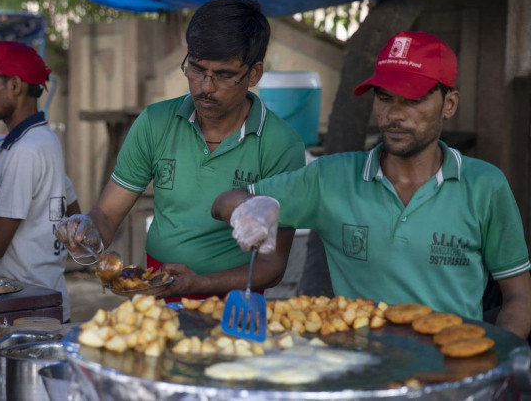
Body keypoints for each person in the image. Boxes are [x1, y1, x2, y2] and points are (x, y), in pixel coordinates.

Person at [212, 31, 531, 339]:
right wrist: (249, 209)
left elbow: (519, 296)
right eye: (384, 98)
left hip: (452, 378)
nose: (394, 114)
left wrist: (499, 356)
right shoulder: (331, 178)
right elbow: (223, 202)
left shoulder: (484, 186)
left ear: (449, 104)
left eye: (413, 100)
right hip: (361, 371)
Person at [55, 0, 306, 299]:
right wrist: (86, 232)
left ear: (254, 74)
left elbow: (272, 266)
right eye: (197, 69)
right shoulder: (155, 123)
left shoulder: (281, 144)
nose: (205, 87)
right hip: (157, 298)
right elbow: (107, 215)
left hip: (235, 308)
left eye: (224, 75)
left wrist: (199, 284)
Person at [0, 41, 80, 322]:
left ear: (15, 86)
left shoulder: (25, 150)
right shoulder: (42, 140)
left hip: (28, 307)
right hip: (44, 296)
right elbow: (70, 208)